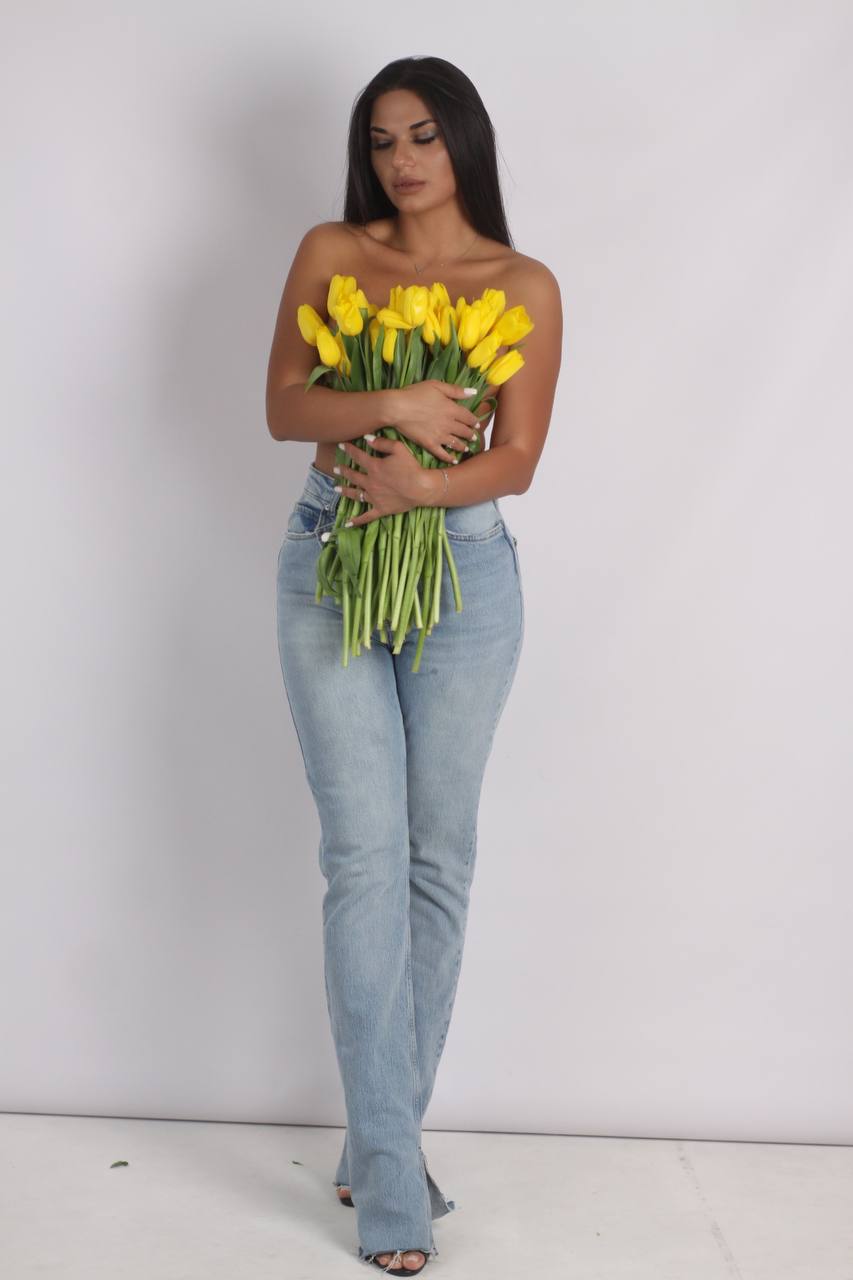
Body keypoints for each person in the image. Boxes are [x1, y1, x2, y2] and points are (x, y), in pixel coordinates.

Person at [266, 55, 562, 1275]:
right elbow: (287, 405)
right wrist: (395, 404)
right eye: (382, 139)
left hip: (466, 577)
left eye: (423, 136)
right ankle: (393, 1182)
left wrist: (423, 486)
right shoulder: (333, 252)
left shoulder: (521, 284)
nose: (401, 159)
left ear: (464, 141)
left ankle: (377, 1135)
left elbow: (518, 457)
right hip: (330, 555)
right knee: (361, 858)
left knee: (437, 859)